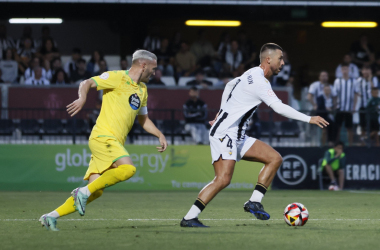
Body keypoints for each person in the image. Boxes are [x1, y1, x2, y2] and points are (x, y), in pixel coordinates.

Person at [180, 43, 328, 227]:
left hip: (238, 135)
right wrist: (308, 118)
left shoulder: (251, 72)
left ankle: (254, 202)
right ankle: (189, 218)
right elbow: (278, 107)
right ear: (268, 59)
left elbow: (229, 85)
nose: (283, 62)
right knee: (223, 179)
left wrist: (221, 110)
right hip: (225, 132)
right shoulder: (259, 81)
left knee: (275, 158)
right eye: (280, 58)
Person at [39, 50, 168, 231]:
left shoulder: (142, 90)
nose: (154, 73)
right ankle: (81, 192)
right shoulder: (117, 77)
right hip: (103, 137)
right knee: (128, 169)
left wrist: (160, 134)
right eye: (153, 69)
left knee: (96, 190)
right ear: (143, 65)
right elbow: (87, 82)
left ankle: (51, 216)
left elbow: (143, 120)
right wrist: (82, 97)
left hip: (111, 143)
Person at [333, 63, 360, 145]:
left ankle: (350, 145)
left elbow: (356, 94)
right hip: (339, 108)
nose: (345, 71)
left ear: (349, 70)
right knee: (338, 127)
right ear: (341, 70)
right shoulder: (338, 81)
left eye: (346, 69)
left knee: (350, 128)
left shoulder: (354, 81)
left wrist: (354, 107)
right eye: (343, 69)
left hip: (349, 109)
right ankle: (336, 144)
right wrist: (334, 106)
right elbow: (334, 95)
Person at [356, 66, 378, 141]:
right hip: (362, 106)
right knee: (363, 125)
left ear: (370, 71)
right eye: (364, 70)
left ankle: (374, 143)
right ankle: (363, 142)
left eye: (367, 69)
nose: (365, 71)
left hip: (372, 107)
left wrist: (370, 79)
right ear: (362, 71)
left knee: (375, 127)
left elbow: (374, 91)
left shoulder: (374, 79)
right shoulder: (359, 80)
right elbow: (356, 91)